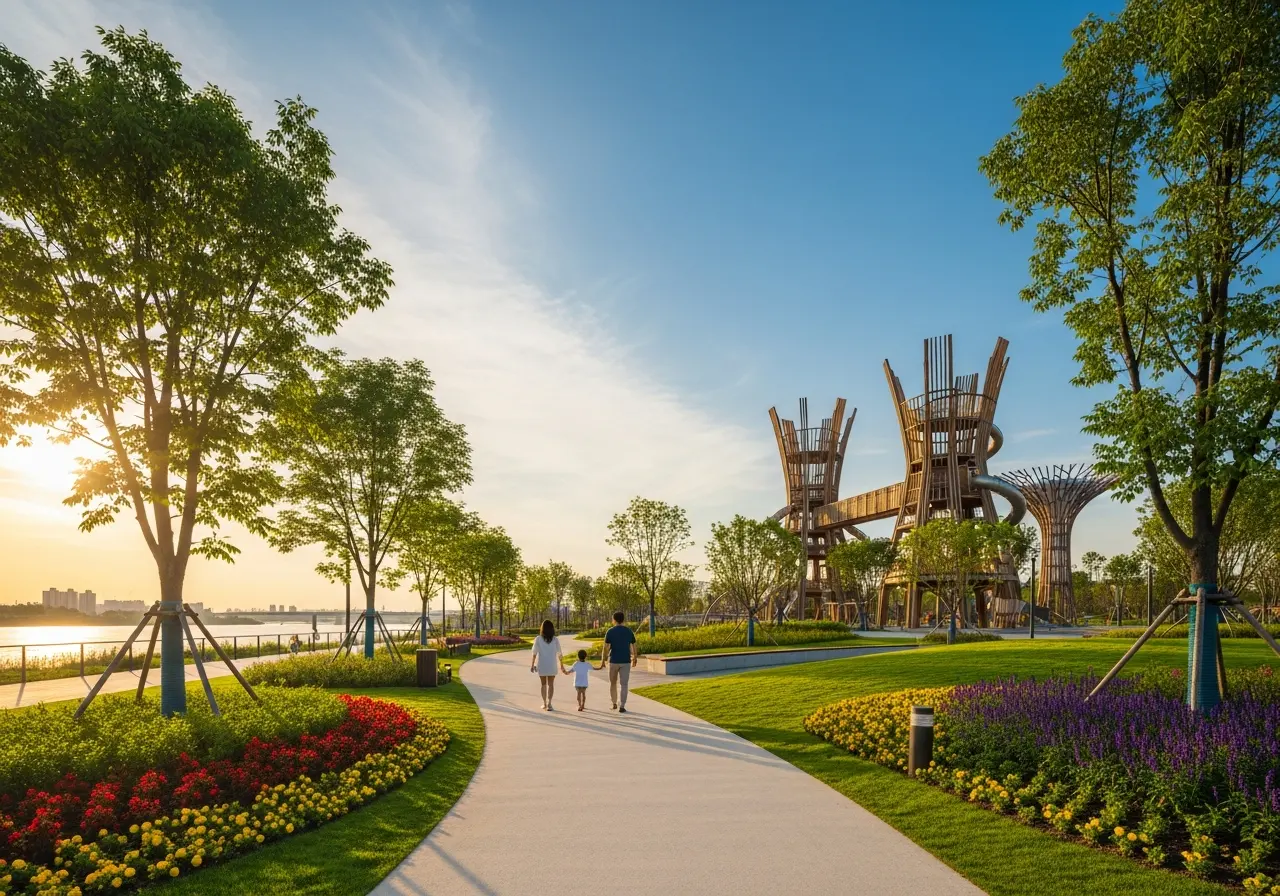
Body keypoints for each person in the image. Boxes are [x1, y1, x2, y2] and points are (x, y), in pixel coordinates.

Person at [602, 611, 638, 712]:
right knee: (624, 684)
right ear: (623, 619)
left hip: (613, 660)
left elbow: (606, 647)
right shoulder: (629, 631)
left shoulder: (610, 631)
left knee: (613, 683)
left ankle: (614, 703)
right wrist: (635, 658)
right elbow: (634, 645)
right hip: (626, 661)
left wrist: (603, 659)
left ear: (614, 620)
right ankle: (622, 706)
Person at [529, 619, 565, 711]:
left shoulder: (538, 639)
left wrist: (532, 665)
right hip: (552, 665)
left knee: (543, 684)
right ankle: (549, 704)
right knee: (551, 685)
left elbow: (534, 653)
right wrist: (562, 665)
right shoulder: (555, 640)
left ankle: (544, 703)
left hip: (542, 665)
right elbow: (560, 653)